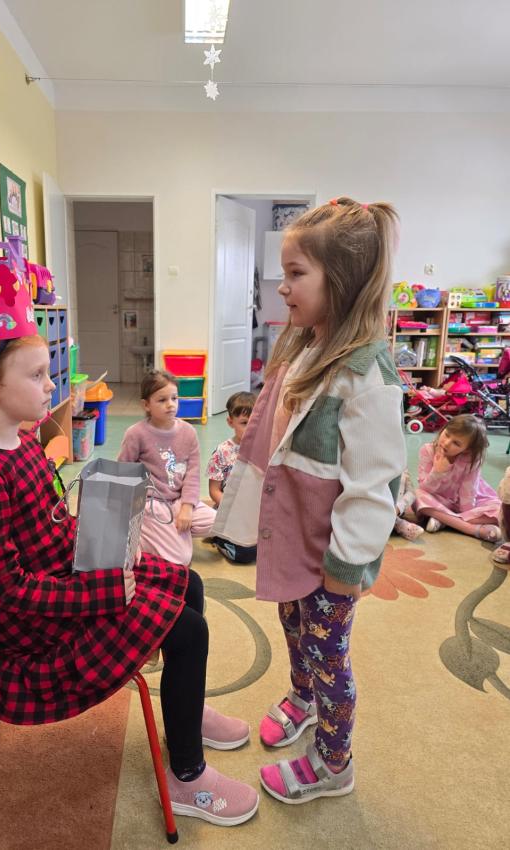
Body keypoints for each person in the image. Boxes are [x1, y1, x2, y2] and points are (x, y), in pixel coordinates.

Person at [0, 264, 258, 827]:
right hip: (38, 635)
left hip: (69, 585)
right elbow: (6, 597)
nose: (51, 385)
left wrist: (112, 536)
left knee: (191, 583)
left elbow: (52, 525)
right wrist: (104, 589)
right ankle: (187, 777)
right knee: (189, 630)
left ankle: (187, 709)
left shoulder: (21, 442)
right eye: (37, 375)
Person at [212, 197, 406, 805]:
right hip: (294, 536)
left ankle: (333, 762)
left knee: (328, 654)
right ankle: (302, 697)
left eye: (296, 273)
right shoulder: (306, 347)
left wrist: (346, 572)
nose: (282, 286)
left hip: (330, 555)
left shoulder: (368, 378)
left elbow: (374, 489)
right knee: (292, 624)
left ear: (340, 281)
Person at [118, 370, 216, 567]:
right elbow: (122, 473)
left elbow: (192, 474)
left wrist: (187, 508)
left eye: (174, 398)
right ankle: (143, 532)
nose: (171, 404)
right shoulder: (136, 434)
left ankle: (169, 533)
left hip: (179, 501)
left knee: (223, 524)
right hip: (152, 503)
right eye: (162, 400)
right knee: (181, 558)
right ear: (146, 405)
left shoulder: (189, 432)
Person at [415, 414, 501, 541]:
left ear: (467, 450)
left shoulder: (472, 459)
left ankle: (445, 520)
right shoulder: (427, 450)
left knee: (501, 510)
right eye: (447, 434)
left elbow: (468, 491)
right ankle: (473, 530)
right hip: (438, 499)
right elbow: (426, 489)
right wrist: (438, 472)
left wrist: (467, 512)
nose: (446, 443)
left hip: (468, 502)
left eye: (456, 443)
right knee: (417, 496)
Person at [207, 391, 258, 563]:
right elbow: (214, 491)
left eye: (255, 423)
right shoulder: (222, 452)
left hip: (255, 513)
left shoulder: (264, 450)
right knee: (245, 554)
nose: (250, 429)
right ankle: (219, 538)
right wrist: (235, 509)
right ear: (230, 422)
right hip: (229, 513)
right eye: (244, 423)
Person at [393, 469, 424, 540]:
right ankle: (399, 523)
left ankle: (396, 521)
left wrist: (398, 508)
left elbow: (412, 491)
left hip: (397, 507)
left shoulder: (409, 465)